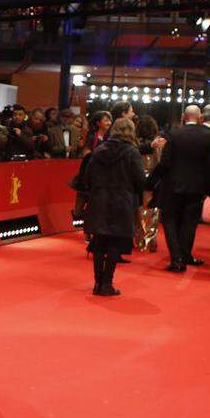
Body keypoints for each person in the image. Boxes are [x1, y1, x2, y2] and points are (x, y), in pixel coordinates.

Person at [82, 118, 145, 296]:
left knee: (99, 241)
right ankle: (107, 283)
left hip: (99, 199)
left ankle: (97, 282)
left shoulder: (99, 150)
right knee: (115, 242)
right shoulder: (132, 152)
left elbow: (87, 177)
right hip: (122, 201)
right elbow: (140, 179)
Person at [158, 105, 210, 272]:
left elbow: (165, 162)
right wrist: (207, 188)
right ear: (199, 118)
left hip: (173, 185)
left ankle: (177, 259)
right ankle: (185, 256)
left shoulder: (174, 135)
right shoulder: (209, 136)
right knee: (190, 223)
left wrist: (155, 181)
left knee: (170, 221)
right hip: (197, 187)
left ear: (184, 116)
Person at [135, 114, 163, 252]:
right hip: (154, 179)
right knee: (153, 211)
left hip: (139, 178)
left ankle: (140, 240)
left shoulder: (135, 143)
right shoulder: (158, 143)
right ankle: (150, 241)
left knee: (139, 210)